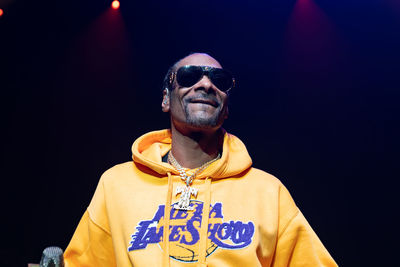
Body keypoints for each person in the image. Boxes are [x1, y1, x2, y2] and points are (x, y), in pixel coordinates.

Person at [64, 53, 337, 267]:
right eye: (189, 76)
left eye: (219, 81)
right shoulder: (117, 185)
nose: (206, 84)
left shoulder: (268, 192)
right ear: (165, 99)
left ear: (226, 107)